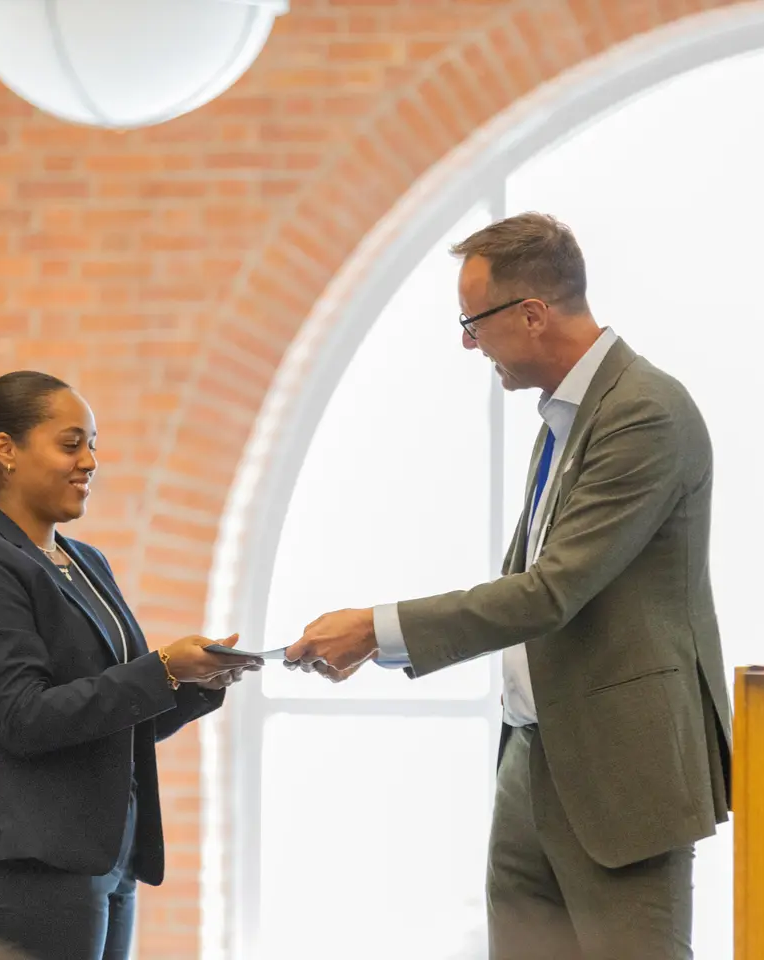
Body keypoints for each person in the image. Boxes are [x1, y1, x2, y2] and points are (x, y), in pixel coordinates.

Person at [285, 213, 732, 959]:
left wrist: (376, 627)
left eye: (474, 322)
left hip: (621, 772)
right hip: (532, 754)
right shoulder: (561, 417)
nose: (467, 342)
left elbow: (551, 592)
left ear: (532, 314)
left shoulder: (644, 412)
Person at [0, 371, 254, 960]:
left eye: (93, 444)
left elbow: (110, 717)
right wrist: (161, 669)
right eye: (71, 444)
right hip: (33, 863)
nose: (91, 461)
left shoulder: (84, 561)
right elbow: (22, 717)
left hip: (104, 857)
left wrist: (194, 681)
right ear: (6, 451)